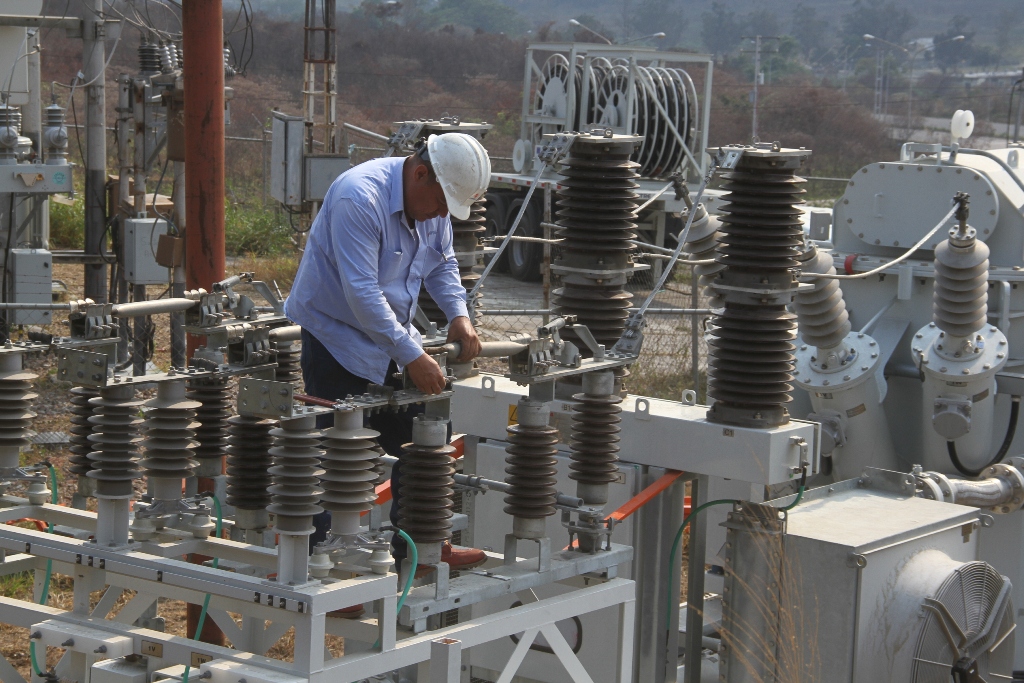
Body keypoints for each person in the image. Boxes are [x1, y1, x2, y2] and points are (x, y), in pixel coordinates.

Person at [284, 132, 489, 581]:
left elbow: (442, 263)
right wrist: (412, 353)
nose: (441, 215)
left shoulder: (431, 204)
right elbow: (361, 293)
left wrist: (459, 316)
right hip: (335, 335)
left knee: (427, 430)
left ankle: (421, 546)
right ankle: (324, 565)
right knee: (338, 449)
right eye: (440, 204)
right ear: (420, 174)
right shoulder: (359, 197)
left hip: (392, 334)